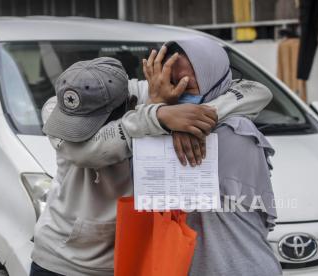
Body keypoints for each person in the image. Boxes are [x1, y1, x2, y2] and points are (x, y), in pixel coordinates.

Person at [31, 50, 273, 275]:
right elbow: (85, 153)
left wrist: (193, 117)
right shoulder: (57, 108)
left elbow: (257, 90)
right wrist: (156, 116)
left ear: (124, 101)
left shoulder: (142, 92)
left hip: (131, 260)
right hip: (59, 261)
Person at [144, 37, 282, 275]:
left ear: (213, 78)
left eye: (187, 86)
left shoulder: (235, 131)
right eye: (171, 83)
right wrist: (161, 112)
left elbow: (158, 183)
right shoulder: (163, 129)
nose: (176, 93)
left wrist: (168, 118)